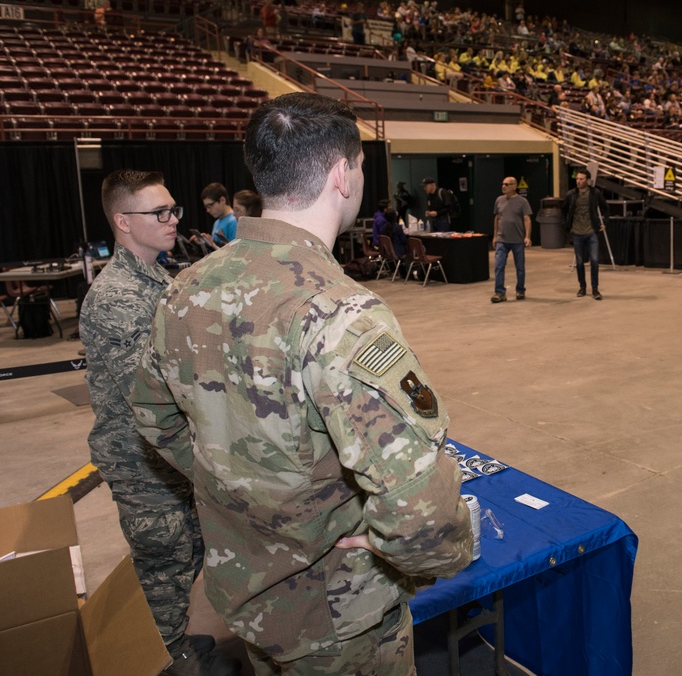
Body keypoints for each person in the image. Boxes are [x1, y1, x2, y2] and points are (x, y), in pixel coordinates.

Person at [131, 93, 473, 675]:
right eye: (362, 166)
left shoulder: (184, 289)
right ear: (343, 174)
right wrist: (411, 549)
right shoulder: (340, 313)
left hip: (250, 594)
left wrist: (248, 493)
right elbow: (423, 517)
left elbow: (154, 418)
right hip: (340, 619)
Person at [79, 170, 238, 676]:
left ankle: (174, 643)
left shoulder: (156, 278)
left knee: (184, 556)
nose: (173, 220)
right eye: (160, 213)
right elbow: (150, 398)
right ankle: (163, 661)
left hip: (170, 455)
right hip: (145, 462)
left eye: (174, 210)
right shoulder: (118, 297)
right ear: (123, 221)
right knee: (162, 567)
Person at [563, 168, 609, 300]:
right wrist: (566, 224)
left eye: (581, 179)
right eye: (577, 179)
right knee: (579, 261)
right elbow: (564, 210)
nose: (578, 181)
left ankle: (595, 289)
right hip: (577, 232)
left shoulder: (595, 193)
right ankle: (582, 287)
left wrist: (605, 222)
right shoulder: (571, 194)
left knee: (594, 260)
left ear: (588, 180)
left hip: (591, 231)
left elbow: (605, 208)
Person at [491, 176, 532, 303]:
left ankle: (520, 290)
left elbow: (527, 219)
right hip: (502, 239)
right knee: (499, 266)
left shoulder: (522, 202)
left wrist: (527, 236)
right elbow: (497, 218)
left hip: (517, 240)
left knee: (520, 267)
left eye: (507, 184)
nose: (503, 186)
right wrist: (495, 236)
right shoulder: (499, 200)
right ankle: (500, 292)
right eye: (503, 184)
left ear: (514, 186)